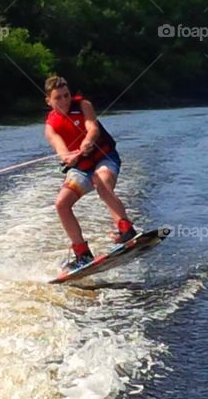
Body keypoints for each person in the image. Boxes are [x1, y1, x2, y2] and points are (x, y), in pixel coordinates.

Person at [43, 76, 137, 271]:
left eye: (66, 95)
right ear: (49, 101)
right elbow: (61, 149)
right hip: (81, 168)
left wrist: (87, 141)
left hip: (104, 158)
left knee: (100, 181)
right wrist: (67, 157)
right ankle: (82, 253)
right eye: (58, 98)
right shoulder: (50, 127)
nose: (64, 101)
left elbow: (92, 129)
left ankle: (125, 227)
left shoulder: (84, 105)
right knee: (61, 204)